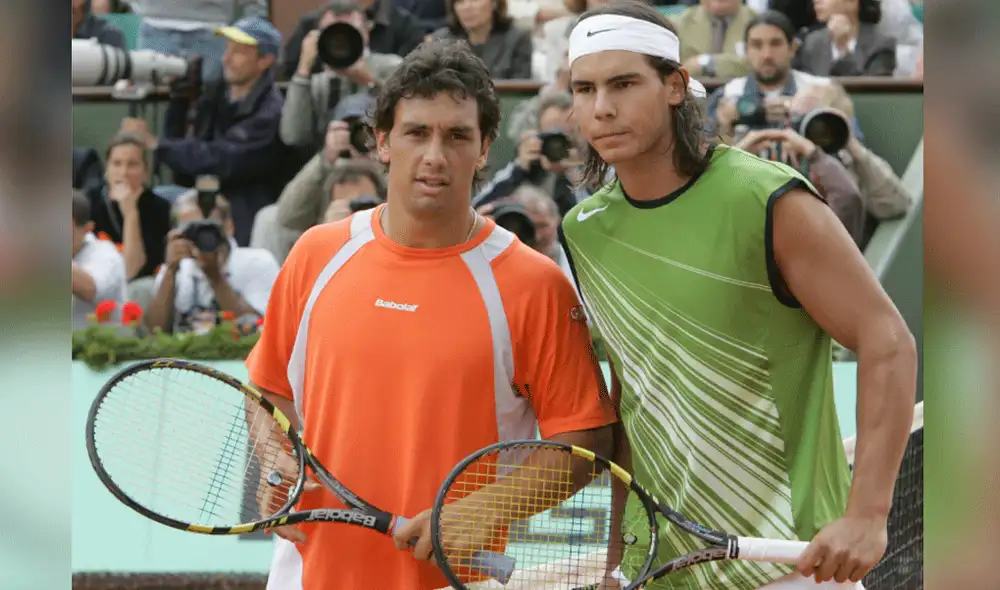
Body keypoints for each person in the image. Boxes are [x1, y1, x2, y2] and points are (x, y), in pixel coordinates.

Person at [558, 2, 917, 589]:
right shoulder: (584, 230)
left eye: (623, 83)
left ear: (675, 87)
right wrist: (612, 554)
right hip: (660, 569)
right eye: (584, 88)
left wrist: (868, 515)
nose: (601, 108)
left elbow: (889, 342)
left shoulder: (767, 198)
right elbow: (633, 392)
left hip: (789, 563)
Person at [245, 38, 616, 590]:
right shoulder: (316, 254)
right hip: (306, 575)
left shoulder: (535, 284)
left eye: (457, 135)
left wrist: (483, 510)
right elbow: (269, 389)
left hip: (459, 581)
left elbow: (584, 445)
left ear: (486, 146)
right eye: (417, 133)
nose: (435, 156)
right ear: (383, 141)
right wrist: (274, 453)